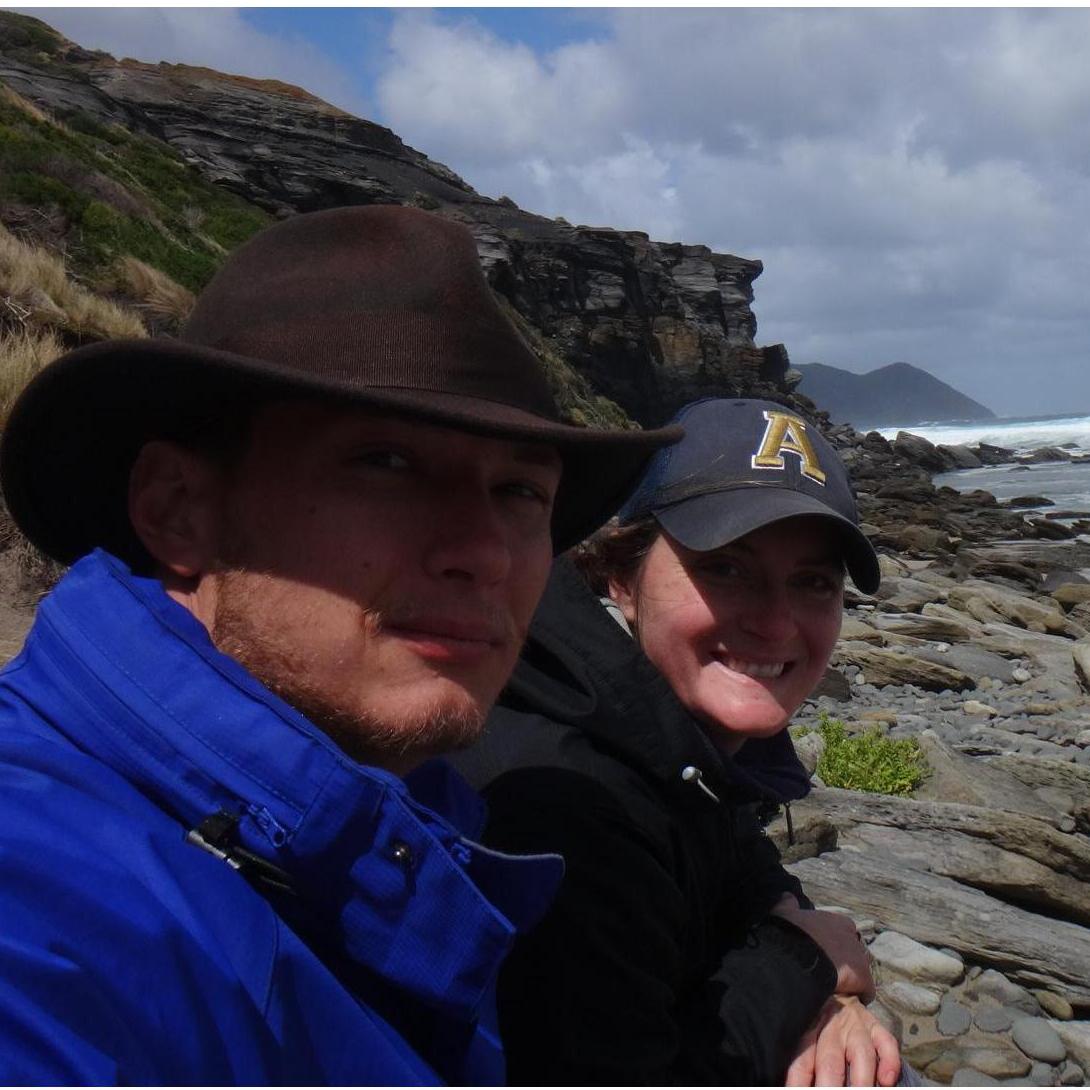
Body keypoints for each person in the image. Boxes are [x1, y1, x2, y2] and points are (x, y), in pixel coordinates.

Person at [0, 205, 679, 1084]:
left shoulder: (381, 832)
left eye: (520, 491)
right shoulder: (38, 891)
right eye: (387, 463)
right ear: (178, 509)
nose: (482, 553)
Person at [451, 397, 903, 1086]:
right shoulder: (557, 805)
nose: (777, 623)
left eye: (813, 582)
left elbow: (734, 855)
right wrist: (802, 962)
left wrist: (820, 990)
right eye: (725, 567)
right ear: (619, 577)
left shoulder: (664, 737)